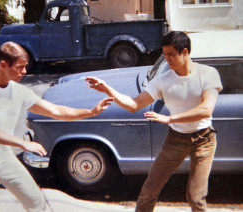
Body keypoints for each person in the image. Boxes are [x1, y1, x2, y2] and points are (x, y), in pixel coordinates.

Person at [0, 41, 113, 212]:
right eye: (20, 67)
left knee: (37, 203)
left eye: (25, 66)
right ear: (3, 65)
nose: (24, 71)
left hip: (5, 160)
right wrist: (22, 143)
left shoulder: (19, 92)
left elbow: (56, 111)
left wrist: (91, 111)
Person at [86, 31, 222, 212]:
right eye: (164, 55)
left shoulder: (207, 74)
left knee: (196, 196)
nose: (167, 59)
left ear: (185, 52)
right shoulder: (163, 80)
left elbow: (206, 110)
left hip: (204, 140)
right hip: (176, 139)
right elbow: (134, 104)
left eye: (171, 55)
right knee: (149, 189)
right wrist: (109, 90)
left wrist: (170, 118)